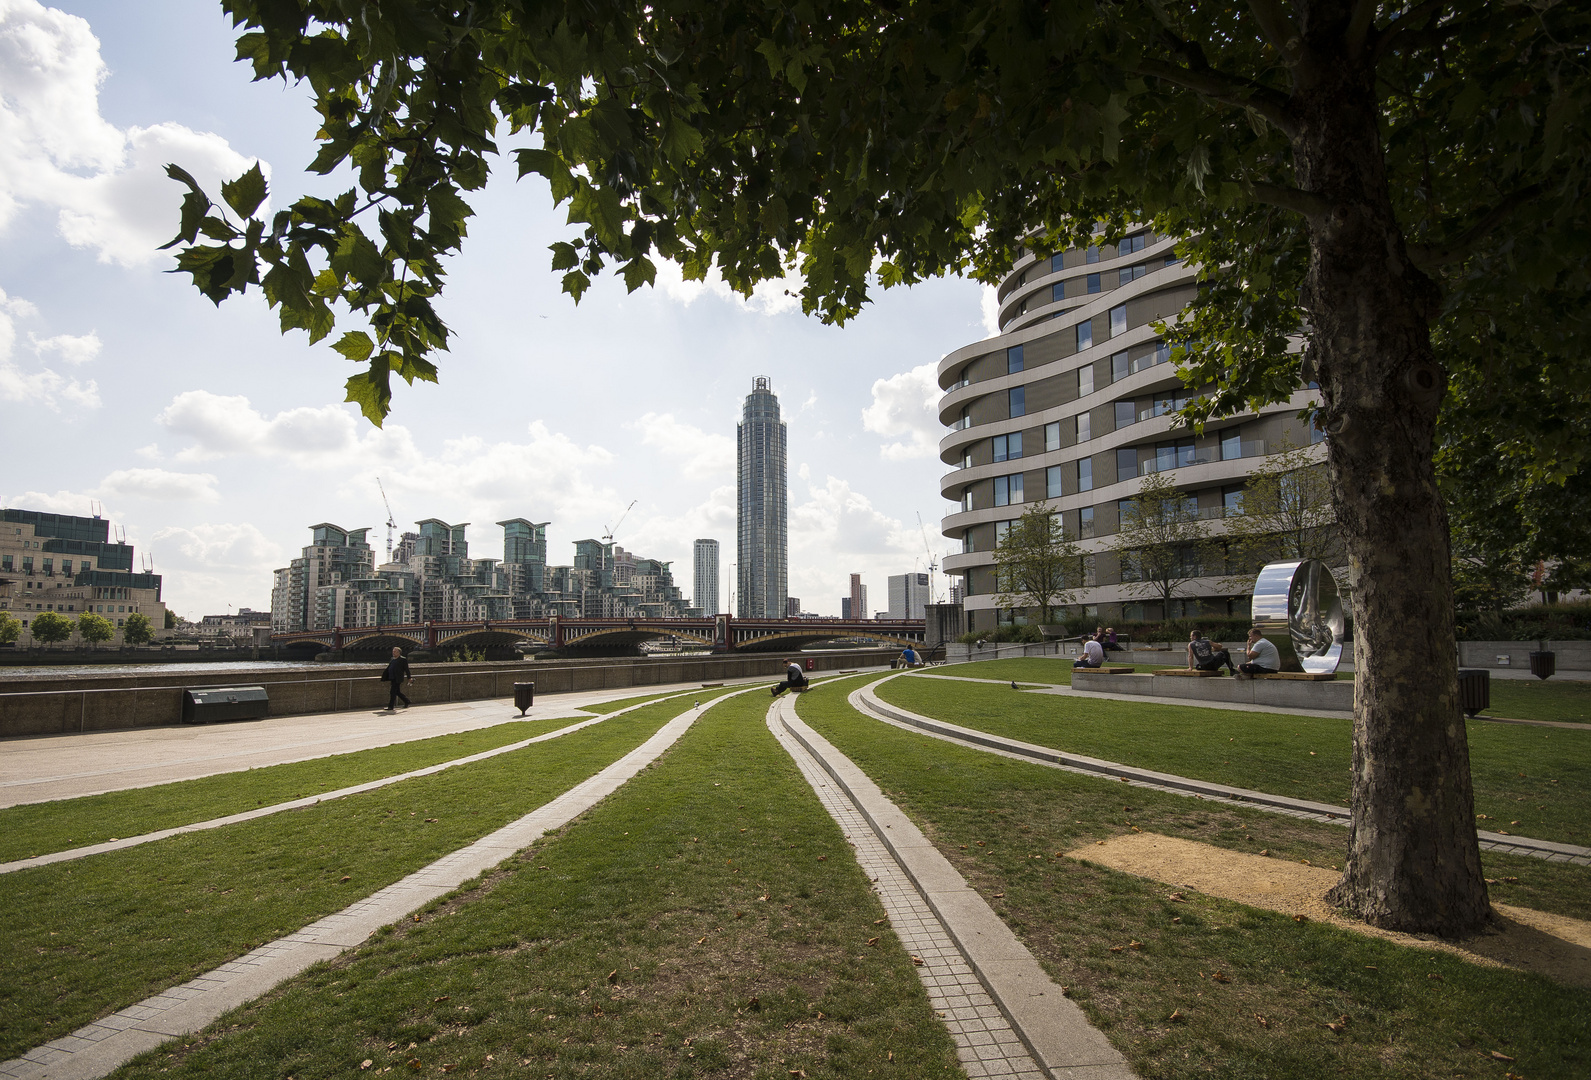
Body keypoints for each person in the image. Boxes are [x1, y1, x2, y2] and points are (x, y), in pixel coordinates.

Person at [380, 646, 411, 711]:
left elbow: (407, 669)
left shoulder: (403, 659)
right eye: (393, 651)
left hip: (397, 678)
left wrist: (409, 678)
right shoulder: (392, 659)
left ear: (399, 652)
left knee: (392, 692)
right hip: (392, 677)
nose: (393, 653)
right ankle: (407, 701)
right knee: (397, 692)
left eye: (395, 652)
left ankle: (390, 707)